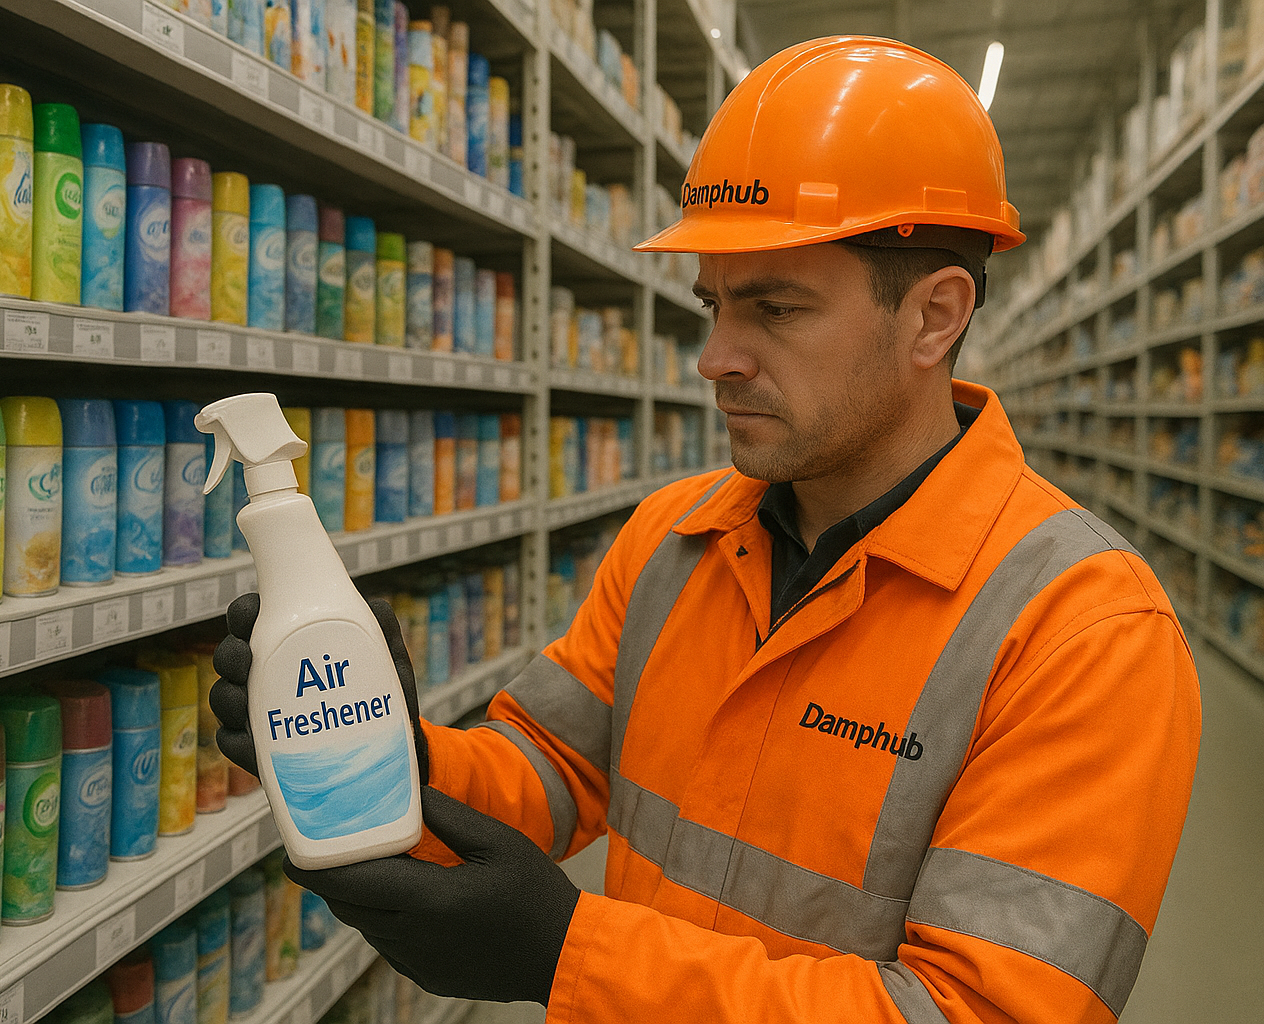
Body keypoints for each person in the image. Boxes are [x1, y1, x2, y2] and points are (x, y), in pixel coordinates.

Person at [210, 36, 1202, 1024]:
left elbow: (975, 1014)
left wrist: (572, 954)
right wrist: (389, 756)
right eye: (713, 305)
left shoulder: (1085, 631)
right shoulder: (671, 541)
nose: (715, 357)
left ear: (935, 317)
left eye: (775, 307)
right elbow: (549, 772)